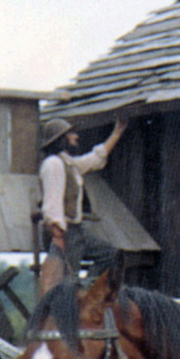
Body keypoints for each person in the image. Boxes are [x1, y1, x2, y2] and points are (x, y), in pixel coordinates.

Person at [37, 114, 128, 292]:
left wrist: (116, 134)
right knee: (67, 282)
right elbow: (52, 203)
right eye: (71, 134)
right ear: (62, 140)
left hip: (75, 232)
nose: (76, 137)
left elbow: (94, 159)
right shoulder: (53, 164)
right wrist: (58, 235)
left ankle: (87, 292)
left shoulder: (69, 164)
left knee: (110, 255)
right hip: (64, 232)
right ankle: (77, 300)